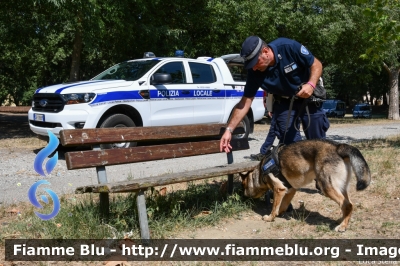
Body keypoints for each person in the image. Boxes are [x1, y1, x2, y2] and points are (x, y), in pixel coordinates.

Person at [220, 36, 330, 155]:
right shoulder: (254, 72)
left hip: (308, 99)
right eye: (250, 65)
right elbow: (244, 103)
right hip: (284, 102)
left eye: (256, 62)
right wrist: (229, 130)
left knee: (318, 145)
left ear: (266, 52)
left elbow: (316, 64)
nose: (254, 67)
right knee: (291, 148)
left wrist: (311, 84)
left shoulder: (288, 47)